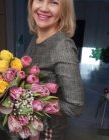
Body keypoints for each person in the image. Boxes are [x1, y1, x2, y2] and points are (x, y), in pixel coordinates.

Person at [24, 0, 84, 139]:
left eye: (53, 2)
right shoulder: (36, 38)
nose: (43, 8)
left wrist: (34, 101)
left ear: (64, 9)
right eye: (39, 0)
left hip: (47, 133)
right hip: (31, 129)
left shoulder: (62, 46)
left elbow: (75, 107)